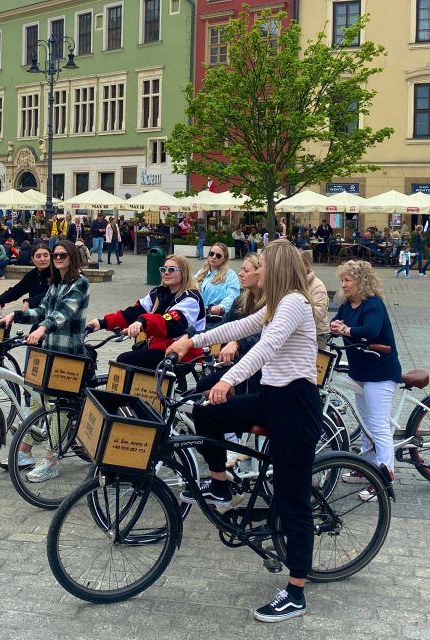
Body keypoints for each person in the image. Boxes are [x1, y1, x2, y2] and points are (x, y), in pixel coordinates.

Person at [167, 239, 323, 623]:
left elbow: (265, 348)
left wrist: (229, 379)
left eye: (264, 264)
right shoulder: (274, 304)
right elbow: (238, 326)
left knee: (293, 503)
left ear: (279, 268)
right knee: (207, 415)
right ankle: (220, 483)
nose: (259, 269)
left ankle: (296, 590)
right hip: (273, 399)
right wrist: (191, 340)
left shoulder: (294, 304)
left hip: (296, 407)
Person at [0, 239, 90, 481]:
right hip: (49, 353)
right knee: (38, 402)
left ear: (72, 257)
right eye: (55, 255)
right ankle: (25, 451)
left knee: (59, 409)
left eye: (62, 255)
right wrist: (15, 315)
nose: (57, 258)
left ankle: (52, 461)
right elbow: (42, 311)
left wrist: (42, 329)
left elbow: (62, 314)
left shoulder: (80, 283)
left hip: (67, 355)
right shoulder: (56, 283)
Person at [330, 260, 402, 499]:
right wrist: (335, 326)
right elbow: (336, 323)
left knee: (379, 426)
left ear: (360, 281)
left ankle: (383, 477)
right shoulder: (347, 305)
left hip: (380, 373)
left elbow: (370, 330)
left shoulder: (373, 305)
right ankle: (366, 468)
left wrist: (347, 330)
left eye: (348, 280)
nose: (344, 285)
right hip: (360, 372)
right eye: (343, 280)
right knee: (365, 421)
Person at [87, 254, 205, 370]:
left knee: (125, 360)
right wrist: (102, 323)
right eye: (163, 269)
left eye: (172, 269)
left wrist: (142, 322)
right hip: (159, 347)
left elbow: (171, 322)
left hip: (181, 353)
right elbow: (133, 313)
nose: (166, 272)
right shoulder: (158, 293)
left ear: (184, 272)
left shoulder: (190, 298)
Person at [194, 252, 265, 397]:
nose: (240, 274)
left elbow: (264, 337)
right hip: (235, 363)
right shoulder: (240, 301)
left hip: (257, 371)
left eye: (246, 271)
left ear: (259, 272)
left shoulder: (271, 304)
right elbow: (224, 324)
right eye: (241, 270)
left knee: (208, 390)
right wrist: (192, 335)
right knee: (203, 387)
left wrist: (238, 343)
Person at [195, 243, 240, 322]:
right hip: (197, 315)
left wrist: (221, 306)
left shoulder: (230, 275)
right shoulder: (201, 272)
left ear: (224, 259)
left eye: (218, 255)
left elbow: (232, 295)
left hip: (215, 318)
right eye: (211, 254)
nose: (214, 257)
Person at [301, 252, 330, 349]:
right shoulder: (293, 283)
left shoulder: (317, 286)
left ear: (306, 266)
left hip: (316, 335)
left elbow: (317, 314)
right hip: (300, 334)